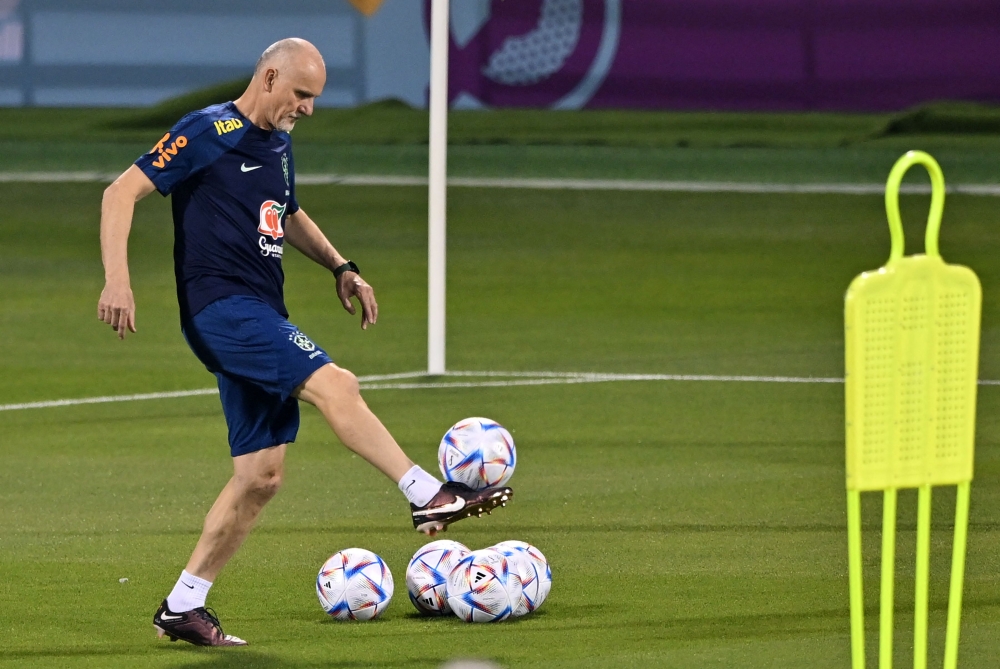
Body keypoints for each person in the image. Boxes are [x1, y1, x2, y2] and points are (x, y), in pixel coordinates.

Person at [97, 37, 512, 647]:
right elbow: (119, 193)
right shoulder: (207, 130)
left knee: (261, 476)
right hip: (223, 308)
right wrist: (118, 279)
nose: (308, 108)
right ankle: (428, 493)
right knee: (337, 383)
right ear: (268, 78)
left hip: (261, 307)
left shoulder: (279, 145)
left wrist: (341, 266)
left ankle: (183, 607)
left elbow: (286, 213)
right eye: (300, 94)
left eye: (314, 98)